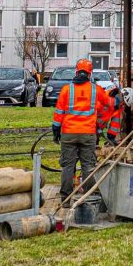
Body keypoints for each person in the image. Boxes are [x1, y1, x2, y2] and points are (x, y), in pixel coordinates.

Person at [52, 59, 113, 200]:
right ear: (90, 74)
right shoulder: (95, 89)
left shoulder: (67, 90)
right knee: (88, 166)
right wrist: (118, 99)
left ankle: (66, 199)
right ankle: (88, 198)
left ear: (76, 71)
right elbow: (108, 103)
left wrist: (56, 131)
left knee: (68, 166)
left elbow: (59, 112)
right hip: (88, 134)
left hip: (68, 133)